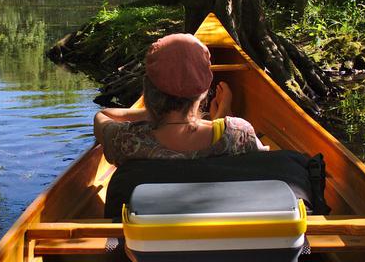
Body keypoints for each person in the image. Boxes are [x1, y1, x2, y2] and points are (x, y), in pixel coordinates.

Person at [94, 33, 268, 166]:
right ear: (204, 91)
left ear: (149, 89)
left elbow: (102, 115)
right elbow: (261, 165)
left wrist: (153, 114)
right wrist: (222, 115)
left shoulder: (126, 140)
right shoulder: (239, 133)